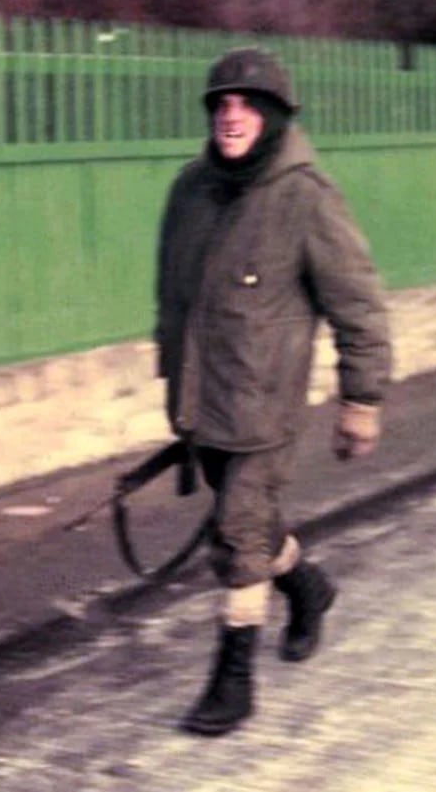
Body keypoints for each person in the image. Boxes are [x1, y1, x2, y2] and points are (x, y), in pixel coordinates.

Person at [154, 46, 392, 737]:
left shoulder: (306, 196)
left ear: (276, 116)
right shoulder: (190, 189)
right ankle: (307, 586)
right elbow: (174, 298)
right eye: (221, 103)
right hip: (204, 400)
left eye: (246, 104)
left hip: (266, 402)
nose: (232, 116)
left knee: (236, 532)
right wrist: (177, 384)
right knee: (253, 526)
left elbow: (359, 304)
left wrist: (362, 399)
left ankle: (233, 680)